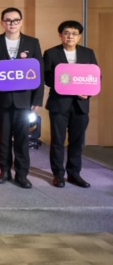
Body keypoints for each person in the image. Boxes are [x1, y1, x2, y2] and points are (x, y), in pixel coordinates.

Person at [0, 7, 44, 189]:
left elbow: (39, 71)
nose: (12, 23)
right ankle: (4, 171)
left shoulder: (32, 43)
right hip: (3, 98)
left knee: (22, 138)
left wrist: (37, 99)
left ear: (21, 22)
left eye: (15, 20)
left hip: (24, 99)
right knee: (3, 137)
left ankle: (22, 174)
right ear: (2, 23)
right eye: (8, 20)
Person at [44, 20, 98, 188]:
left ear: (79, 36)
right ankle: (58, 175)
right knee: (58, 141)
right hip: (59, 103)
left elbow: (95, 77)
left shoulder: (88, 53)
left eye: (74, 34)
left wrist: (88, 93)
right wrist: (64, 82)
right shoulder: (51, 53)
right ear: (60, 35)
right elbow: (46, 77)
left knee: (77, 141)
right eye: (66, 33)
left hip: (80, 104)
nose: (70, 37)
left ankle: (74, 174)